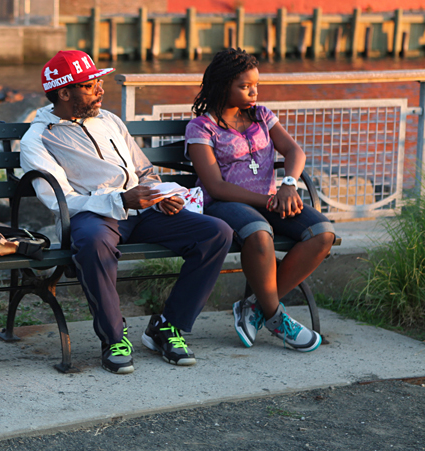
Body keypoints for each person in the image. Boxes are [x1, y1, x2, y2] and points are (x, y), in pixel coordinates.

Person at [20, 50, 233, 375]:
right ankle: (114, 339)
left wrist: (159, 194)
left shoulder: (110, 121)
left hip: (141, 210)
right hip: (95, 216)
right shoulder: (38, 139)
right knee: (92, 244)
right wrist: (120, 202)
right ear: (65, 93)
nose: (101, 90)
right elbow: (59, 199)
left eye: (99, 82)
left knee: (217, 233)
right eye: (91, 85)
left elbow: (144, 170)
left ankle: (167, 326)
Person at [185, 48, 336, 353]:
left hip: (270, 201)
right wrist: (266, 201)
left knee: (322, 234)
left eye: (256, 85)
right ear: (222, 83)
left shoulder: (262, 115)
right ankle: (277, 318)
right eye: (244, 86)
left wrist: (289, 185)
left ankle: (253, 307)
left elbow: (295, 151)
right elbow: (216, 185)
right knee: (259, 233)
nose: (253, 92)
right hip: (224, 205)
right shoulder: (202, 127)